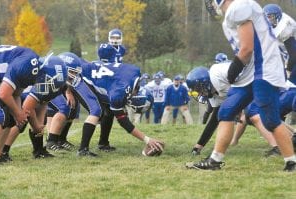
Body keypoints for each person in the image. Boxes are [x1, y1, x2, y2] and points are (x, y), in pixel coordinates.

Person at [187, 0, 296, 171]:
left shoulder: (239, 7)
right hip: (251, 70)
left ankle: (291, 162)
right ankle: (215, 160)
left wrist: (232, 72)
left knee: (270, 120)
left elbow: (246, 49)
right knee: (226, 111)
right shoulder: (236, 10)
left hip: (263, 68)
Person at [81, 60, 165, 153]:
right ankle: (82, 149)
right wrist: (147, 139)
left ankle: (103, 144)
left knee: (109, 111)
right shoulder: (119, 93)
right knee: (97, 111)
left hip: (90, 70)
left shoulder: (136, 71)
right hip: (81, 76)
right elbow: (123, 122)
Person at [1, 56, 68, 160]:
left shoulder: (58, 85)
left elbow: (43, 102)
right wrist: (36, 125)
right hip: (17, 99)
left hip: (28, 100)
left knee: (41, 121)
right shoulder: (39, 83)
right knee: (20, 122)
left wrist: (39, 124)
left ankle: (39, 151)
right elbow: (27, 108)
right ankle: (3, 151)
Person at [0, 45, 41, 165]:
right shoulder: (26, 65)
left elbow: (16, 94)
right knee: (1, 114)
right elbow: (3, 93)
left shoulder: (30, 64)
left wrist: (17, 114)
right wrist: (18, 113)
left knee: (10, 119)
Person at [263, 4, 296, 84]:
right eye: (266, 17)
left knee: (290, 86)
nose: (267, 20)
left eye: (270, 17)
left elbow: (294, 54)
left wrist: (288, 70)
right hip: (289, 60)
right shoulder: (274, 26)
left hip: (293, 61)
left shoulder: (284, 28)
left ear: (277, 16)